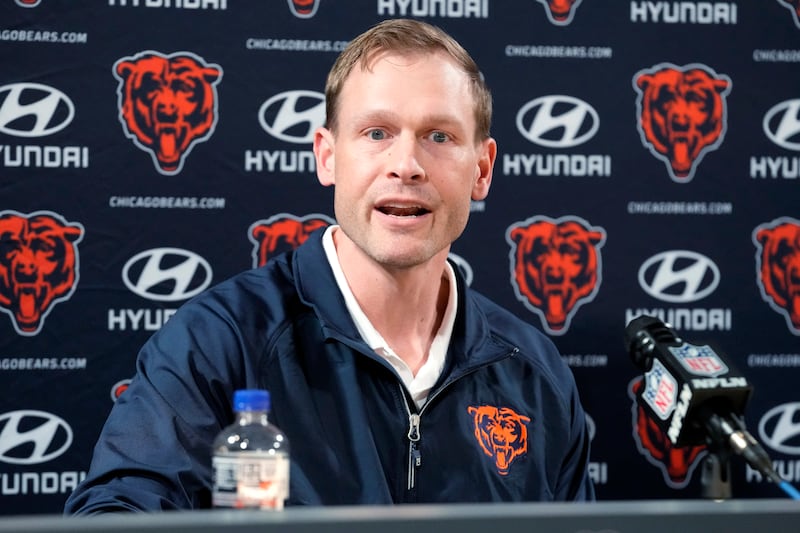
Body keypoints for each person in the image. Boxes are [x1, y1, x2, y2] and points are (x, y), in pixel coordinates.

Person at [64, 18, 594, 513]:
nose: (406, 166)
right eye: (377, 133)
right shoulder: (220, 341)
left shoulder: (534, 372)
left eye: (439, 137)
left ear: (481, 169)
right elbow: (114, 517)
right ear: (327, 156)